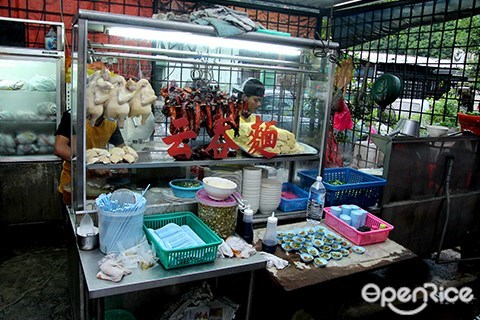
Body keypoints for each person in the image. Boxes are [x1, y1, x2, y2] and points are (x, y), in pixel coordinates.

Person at [54, 110, 125, 205]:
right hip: (73, 184)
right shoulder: (74, 116)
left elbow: (121, 148)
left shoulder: (110, 122)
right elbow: (59, 148)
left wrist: (122, 164)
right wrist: (91, 164)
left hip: (99, 186)